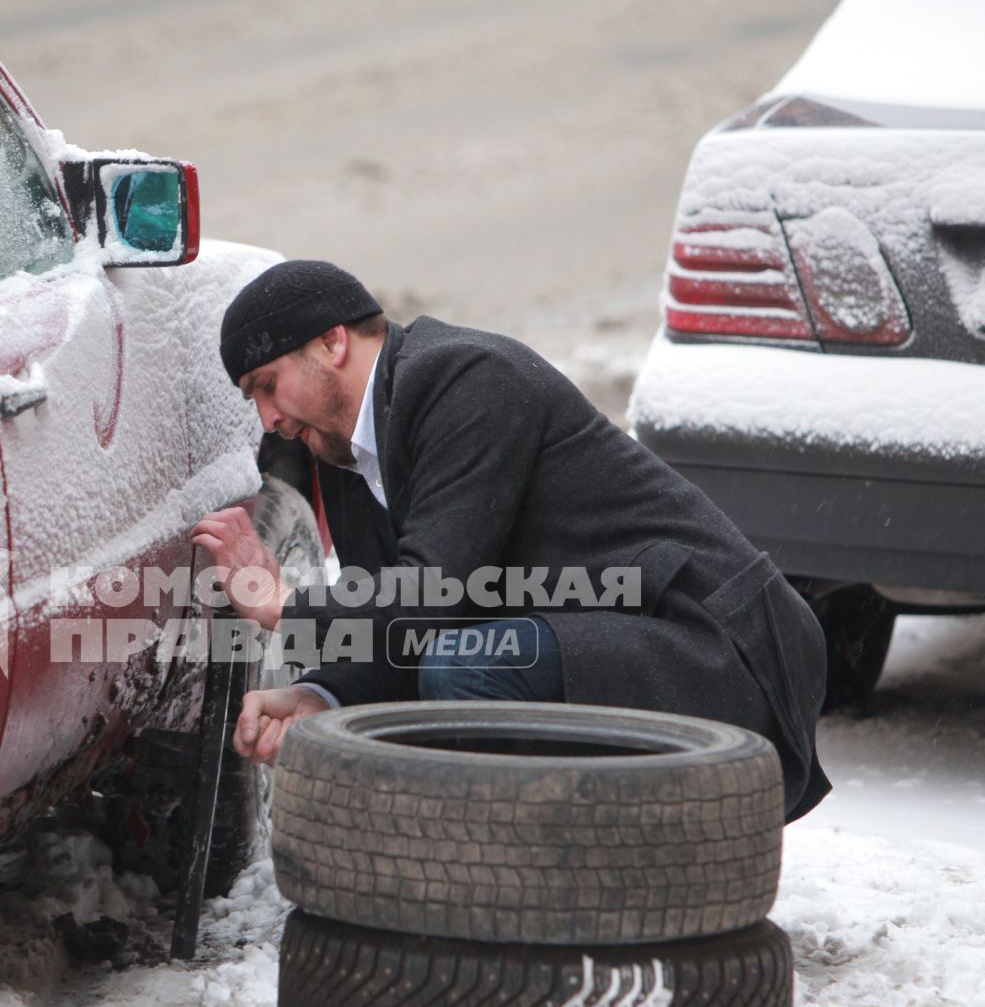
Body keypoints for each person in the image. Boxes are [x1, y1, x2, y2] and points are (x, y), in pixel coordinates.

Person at [191, 259, 831, 821]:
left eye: (268, 386)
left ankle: (530, 901)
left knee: (470, 666)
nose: (268, 420)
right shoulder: (351, 457)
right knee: (457, 666)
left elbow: (432, 597)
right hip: (605, 646)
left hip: (722, 645)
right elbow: (403, 631)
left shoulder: (465, 380)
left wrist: (286, 607)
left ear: (331, 342)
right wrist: (320, 695)